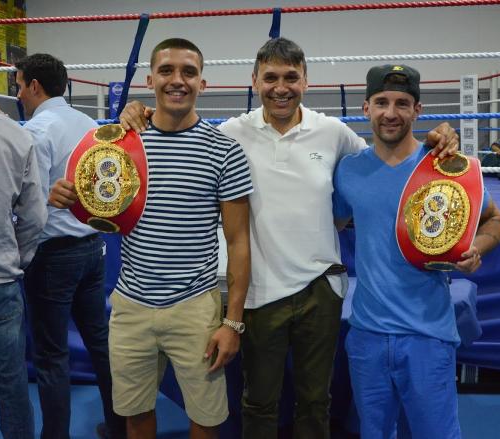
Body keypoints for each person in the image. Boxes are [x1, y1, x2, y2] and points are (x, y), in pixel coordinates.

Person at [119, 37, 458, 439]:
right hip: (261, 290)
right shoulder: (231, 133)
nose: (281, 87)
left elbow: (386, 159)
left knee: (315, 400)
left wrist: (439, 139)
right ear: (255, 81)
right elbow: (181, 125)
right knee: (259, 401)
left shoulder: (332, 133)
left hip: (320, 288)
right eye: (271, 78)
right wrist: (136, 112)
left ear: (306, 82)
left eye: (291, 78)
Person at [50, 38, 252, 439]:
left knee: (206, 419)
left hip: (195, 306)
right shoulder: (123, 142)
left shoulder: (226, 152)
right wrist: (69, 198)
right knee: (136, 414)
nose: (177, 80)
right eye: (167, 71)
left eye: (188, 72)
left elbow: (239, 242)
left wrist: (233, 322)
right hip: (132, 307)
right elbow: (99, 206)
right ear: (150, 80)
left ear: (203, 83)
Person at [332, 64, 500, 439]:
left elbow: (497, 221)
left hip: (428, 333)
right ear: (366, 108)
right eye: (381, 102)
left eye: (402, 103)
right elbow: (332, 223)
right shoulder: (347, 172)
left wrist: (476, 247)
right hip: (367, 333)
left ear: (418, 110)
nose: (390, 113)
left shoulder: (445, 167)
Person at [15, 53, 126, 439]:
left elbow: (30, 203)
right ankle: (118, 427)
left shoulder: (35, 130)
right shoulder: (89, 123)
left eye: (18, 84)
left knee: (50, 354)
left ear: (34, 86)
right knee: (100, 342)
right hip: (93, 248)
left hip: (52, 255)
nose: (17, 92)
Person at [0, 112, 46, 439]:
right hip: (2, 279)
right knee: (11, 381)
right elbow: (35, 218)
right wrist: (18, 260)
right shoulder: (14, 134)